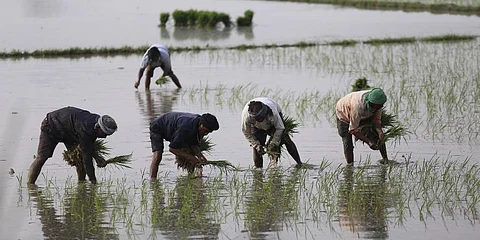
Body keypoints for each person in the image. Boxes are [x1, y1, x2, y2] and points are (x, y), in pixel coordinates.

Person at [27, 107, 118, 184]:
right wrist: (93, 181)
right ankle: (30, 185)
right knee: (41, 158)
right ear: (98, 128)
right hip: (51, 126)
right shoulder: (85, 129)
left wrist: (98, 157)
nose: (105, 137)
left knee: (79, 159)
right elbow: (87, 158)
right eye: (104, 134)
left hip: (69, 131)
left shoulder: (95, 125)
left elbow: (88, 148)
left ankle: (81, 183)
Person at [149, 112, 219, 181]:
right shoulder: (185, 128)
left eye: (209, 132)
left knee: (190, 154)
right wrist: (191, 158)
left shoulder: (199, 127)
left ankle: (191, 177)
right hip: (158, 127)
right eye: (205, 131)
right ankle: (152, 180)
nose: (206, 134)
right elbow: (172, 149)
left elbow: (193, 143)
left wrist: (200, 155)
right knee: (157, 155)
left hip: (175, 128)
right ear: (201, 125)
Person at [241, 97, 302, 168]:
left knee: (285, 139)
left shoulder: (273, 113)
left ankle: (299, 163)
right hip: (256, 127)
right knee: (258, 149)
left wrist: (273, 143)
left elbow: (280, 128)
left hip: (271, 124)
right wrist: (256, 145)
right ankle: (258, 171)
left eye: (261, 119)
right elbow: (246, 133)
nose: (259, 120)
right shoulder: (246, 116)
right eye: (257, 119)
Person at [336, 88, 389, 164]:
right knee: (347, 142)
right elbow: (352, 130)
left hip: (363, 114)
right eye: (377, 106)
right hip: (343, 113)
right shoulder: (357, 106)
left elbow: (376, 120)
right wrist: (369, 142)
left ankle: (385, 160)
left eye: (380, 106)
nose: (379, 108)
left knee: (378, 137)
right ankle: (350, 166)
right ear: (371, 103)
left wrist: (380, 132)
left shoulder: (378, 104)